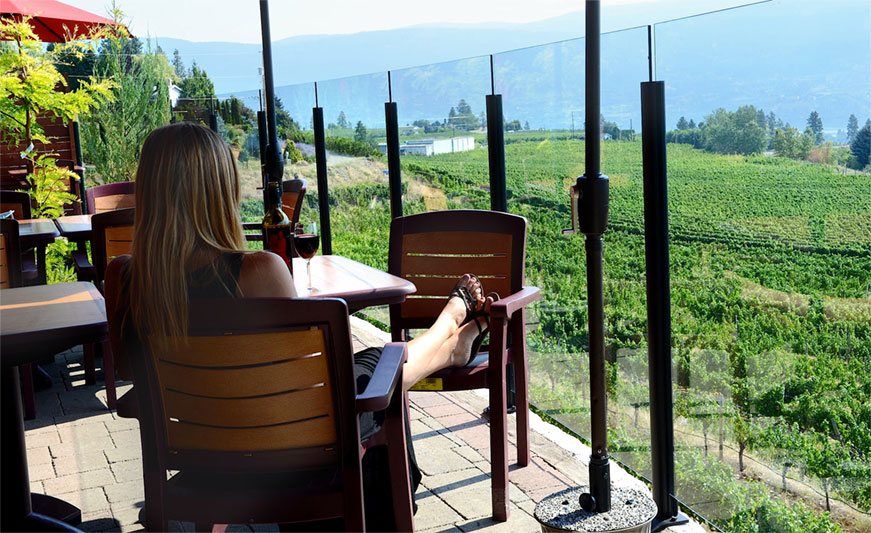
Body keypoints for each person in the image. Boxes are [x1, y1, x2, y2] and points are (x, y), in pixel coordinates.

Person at [104, 122, 495, 530]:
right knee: (382, 366)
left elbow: (134, 374)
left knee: (373, 364)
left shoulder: (125, 279)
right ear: (219, 190)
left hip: (204, 461)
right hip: (290, 453)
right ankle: (449, 331)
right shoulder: (256, 271)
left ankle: (450, 339)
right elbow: (302, 381)